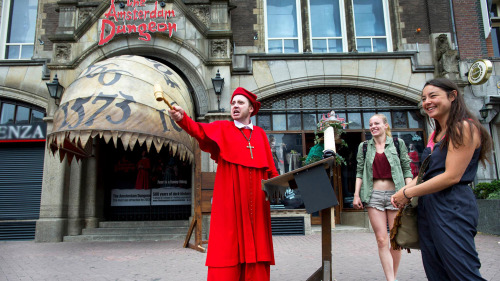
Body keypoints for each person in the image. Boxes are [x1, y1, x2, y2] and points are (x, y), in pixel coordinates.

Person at [168, 87, 279, 281]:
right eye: (233, 103)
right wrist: (182, 118)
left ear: (251, 109)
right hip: (231, 204)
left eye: (240, 103)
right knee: (228, 246)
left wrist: (282, 186)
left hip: (257, 209)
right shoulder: (223, 128)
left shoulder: (260, 134)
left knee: (257, 248)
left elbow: (271, 170)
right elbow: (199, 131)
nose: (235, 106)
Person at [391, 78, 492, 281]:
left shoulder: (463, 127)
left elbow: (451, 176)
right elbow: (426, 173)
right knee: (436, 272)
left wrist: (407, 193)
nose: (427, 101)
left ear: (452, 96)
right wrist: (402, 192)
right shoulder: (436, 134)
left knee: (462, 271)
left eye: (433, 96)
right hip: (430, 205)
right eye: (424, 98)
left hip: (452, 205)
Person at [353, 114, 413, 281]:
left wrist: (408, 193)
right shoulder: (364, 147)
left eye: (377, 123)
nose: (373, 126)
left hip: (396, 195)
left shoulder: (397, 144)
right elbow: (359, 171)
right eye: (371, 124)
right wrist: (357, 194)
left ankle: (393, 275)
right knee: (381, 239)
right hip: (373, 195)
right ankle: (390, 279)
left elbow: (407, 169)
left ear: (386, 125)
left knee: (395, 239)